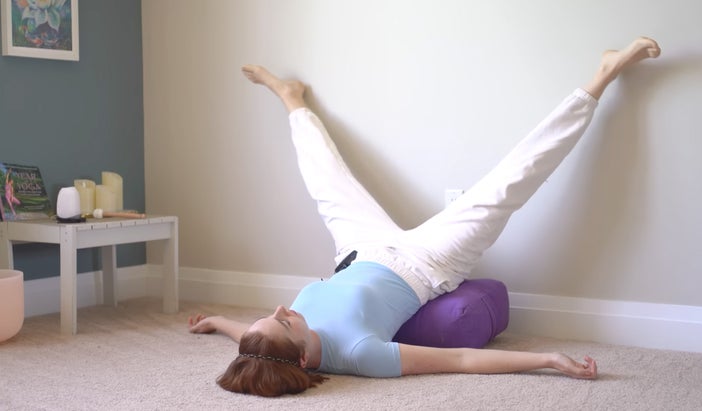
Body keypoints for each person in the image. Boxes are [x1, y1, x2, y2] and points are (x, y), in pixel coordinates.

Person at [189, 37, 661, 397]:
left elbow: (250, 338)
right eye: (284, 321)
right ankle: (601, 79)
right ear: (306, 357)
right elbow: (458, 360)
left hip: (358, 251)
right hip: (428, 264)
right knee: (509, 182)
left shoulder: (274, 341)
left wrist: (216, 322)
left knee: (324, 177)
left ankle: (291, 97)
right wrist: (548, 360)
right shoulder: (360, 355)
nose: (279, 310)